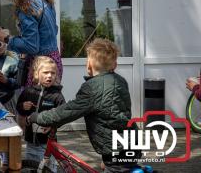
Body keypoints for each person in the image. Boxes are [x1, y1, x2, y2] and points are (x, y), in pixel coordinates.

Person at [28, 38, 139, 173]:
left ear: (89, 65)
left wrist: (38, 117)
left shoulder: (92, 88)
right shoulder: (120, 81)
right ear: (115, 65)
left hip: (115, 148)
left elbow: (68, 111)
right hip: (129, 141)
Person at [16, 56, 65, 168]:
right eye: (46, 72)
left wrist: (53, 125)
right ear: (37, 74)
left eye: (53, 73)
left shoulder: (57, 95)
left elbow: (64, 115)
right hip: (30, 142)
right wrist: (23, 106)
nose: (49, 76)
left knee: (47, 169)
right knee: (31, 167)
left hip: (47, 144)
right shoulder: (28, 91)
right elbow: (18, 108)